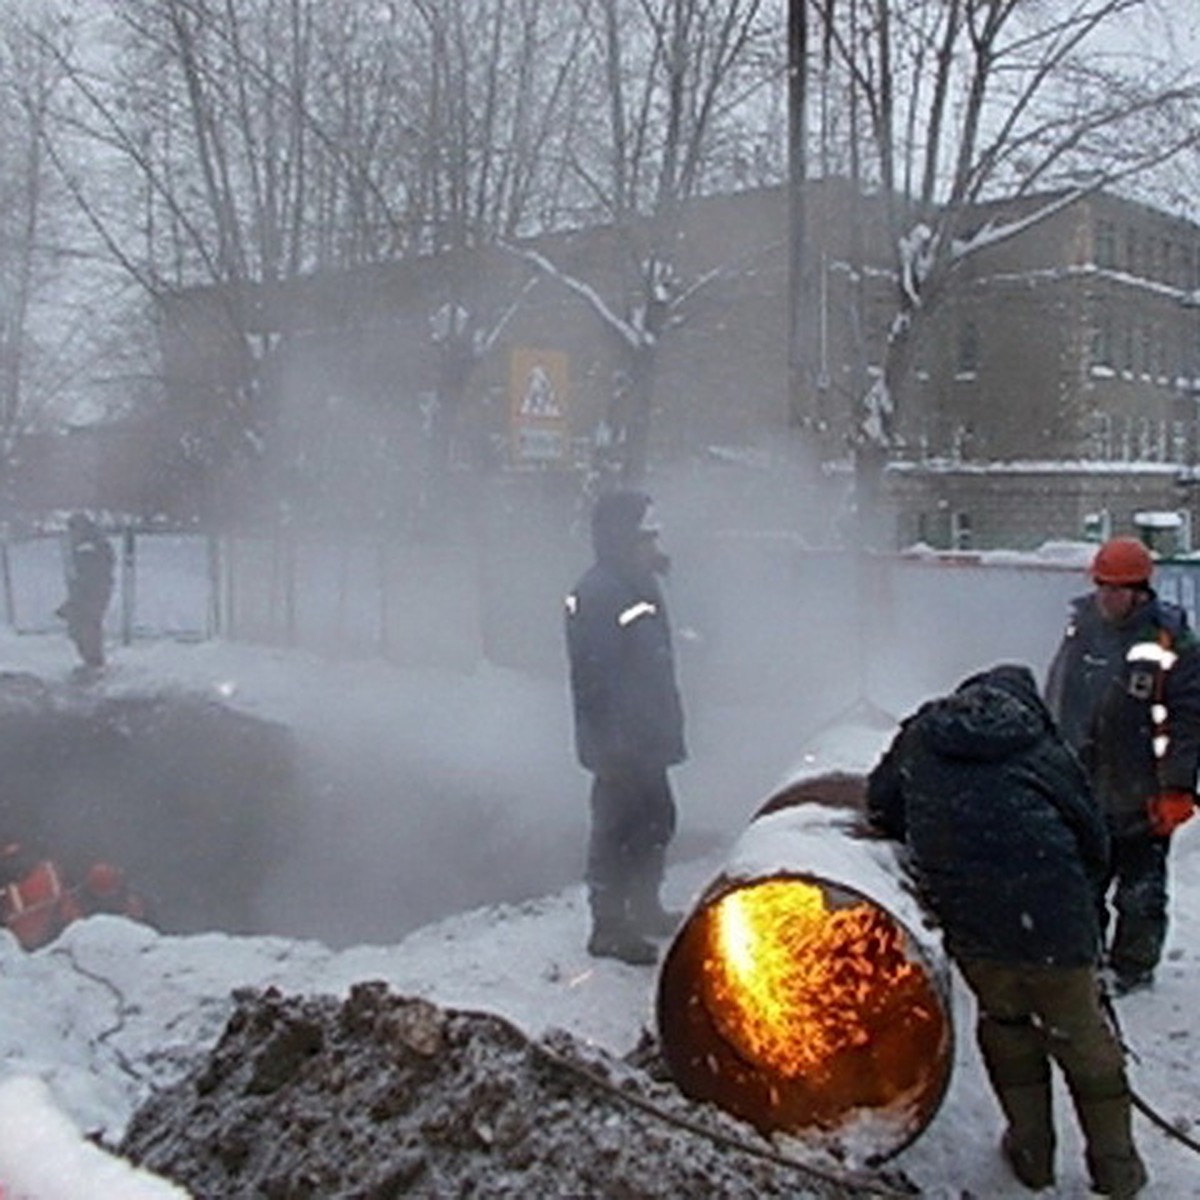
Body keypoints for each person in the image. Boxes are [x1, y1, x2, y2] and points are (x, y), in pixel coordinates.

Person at [867, 664, 1146, 1198]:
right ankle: (1117, 1170)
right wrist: (1080, 904)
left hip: (975, 922)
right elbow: (1094, 835)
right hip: (1056, 922)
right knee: (1085, 1043)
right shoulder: (1042, 748)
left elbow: (881, 803)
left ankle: (1031, 1154)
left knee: (1007, 1027)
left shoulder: (923, 737)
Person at [1046, 535, 1200, 995]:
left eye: (1116, 589)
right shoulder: (1081, 630)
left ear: (1139, 590)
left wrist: (1177, 788)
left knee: (1140, 891)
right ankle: (1084, 961)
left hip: (1144, 789)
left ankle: (1132, 966)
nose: (1107, 598)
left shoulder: (1172, 642)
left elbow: (1189, 721)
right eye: (1102, 587)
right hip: (1085, 784)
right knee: (1082, 885)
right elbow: (1059, 696)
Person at [564, 490, 686, 966]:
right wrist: (611, 745)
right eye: (646, 536)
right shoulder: (600, 593)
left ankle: (643, 906)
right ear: (622, 539)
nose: (654, 544)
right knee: (617, 828)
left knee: (656, 819)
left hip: (646, 736)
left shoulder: (636, 584)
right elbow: (596, 678)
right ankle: (609, 926)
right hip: (620, 742)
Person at [57, 513, 116, 671]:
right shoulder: (91, 544)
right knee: (83, 625)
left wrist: (75, 600)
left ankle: (93, 660)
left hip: (92, 592)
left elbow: (90, 576)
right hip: (91, 591)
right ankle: (91, 659)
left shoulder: (88, 546)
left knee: (86, 625)